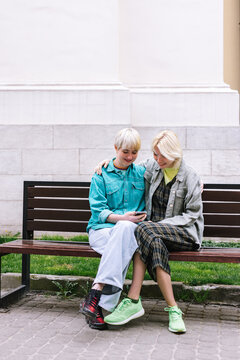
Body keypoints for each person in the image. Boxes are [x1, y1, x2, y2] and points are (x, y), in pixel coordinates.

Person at [98, 130, 204, 333]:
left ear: (173, 152)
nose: (158, 159)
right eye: (155, 154)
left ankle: (133, 299)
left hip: (185, 233)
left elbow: (192, 215)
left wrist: (162, 225)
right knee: (151, 239)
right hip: (155, 234)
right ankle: (173, 310)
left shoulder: (190, 176)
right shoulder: (153, 167)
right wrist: (106, 163)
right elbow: (124, 165)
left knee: (143, 229)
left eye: (162, 155)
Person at [80, 128, 147, 330]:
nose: (130, 156)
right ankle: (100, 305)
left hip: (126, 233)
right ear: (116, 148)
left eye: (134, 152)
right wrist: (122, 218)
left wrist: (196, 181)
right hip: (101, 231)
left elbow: (170, 167)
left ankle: (94, 298)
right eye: (125, 151)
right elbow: (98, 211)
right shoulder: (101, 174)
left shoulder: (142, 173)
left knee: (124, 233)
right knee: (124, 234)